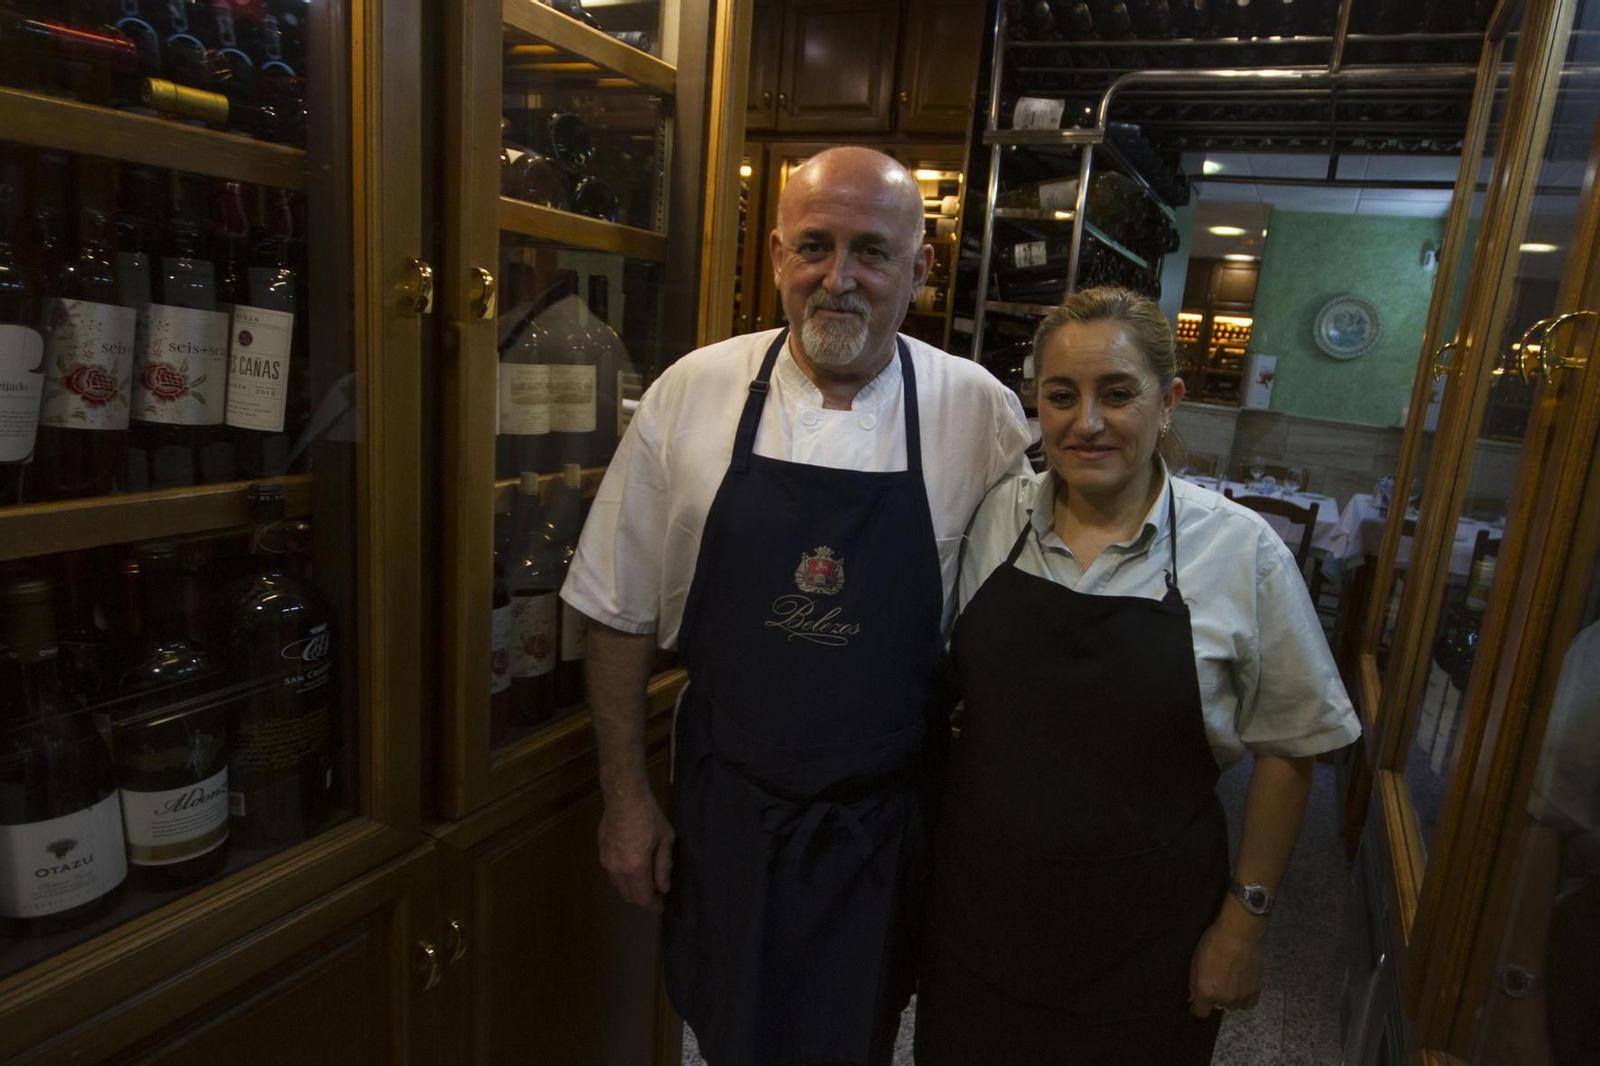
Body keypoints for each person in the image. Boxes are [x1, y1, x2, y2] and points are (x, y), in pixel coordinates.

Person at [560, 146, 1032, 1065]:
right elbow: (617, 612)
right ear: (776, 255)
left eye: (872, 252)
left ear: (919, 270)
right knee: (723, 1026)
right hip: (726, 814)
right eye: (814, 246)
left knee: (854, 1034)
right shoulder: (691, 394)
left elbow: (1021, 628)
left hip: (884, 826)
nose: (839, 279)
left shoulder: (978, 414)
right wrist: (625, 799)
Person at [914, 286, 1361, 1064]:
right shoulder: (993, 517)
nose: (1086, 422)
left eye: (1117, 394)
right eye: (1062, 396)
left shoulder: (1241, 552)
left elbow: (1293, 747)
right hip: (981, 918)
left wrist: (1244, 922)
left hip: (1150, 940)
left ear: (1168, 403)